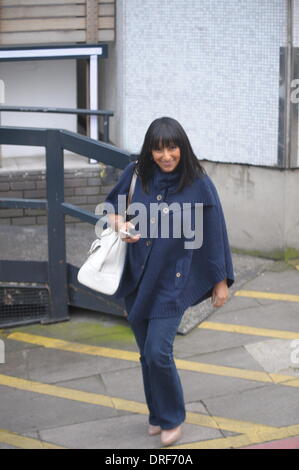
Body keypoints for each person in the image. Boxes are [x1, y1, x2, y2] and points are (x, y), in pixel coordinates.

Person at [104, 117, 235, 446]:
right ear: (150, 150)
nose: (165, 155)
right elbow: (111, 208)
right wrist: (119, 224)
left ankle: (172, 417)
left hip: (174, 279)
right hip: (137, 277)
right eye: (158, 148)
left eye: (172, 147)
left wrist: (220, 281)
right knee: (145, 353)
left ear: (182, 147)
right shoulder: (136, 175)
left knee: (159, 351)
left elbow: (215, 232)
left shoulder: (199, 183)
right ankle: (157, 415)